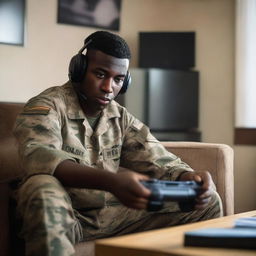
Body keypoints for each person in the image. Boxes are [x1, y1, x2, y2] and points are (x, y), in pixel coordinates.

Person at [13, 31, 222, 256]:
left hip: (110, 215)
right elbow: (39, 156)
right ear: (79, 69)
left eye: (118, 79)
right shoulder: (48, 106)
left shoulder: (120, 117)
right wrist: (113, 182)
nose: (108, 87)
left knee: (207, 202)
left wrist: (186, 178)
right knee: (41, 186)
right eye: (100, 74)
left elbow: (157, 158)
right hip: (66, 214)